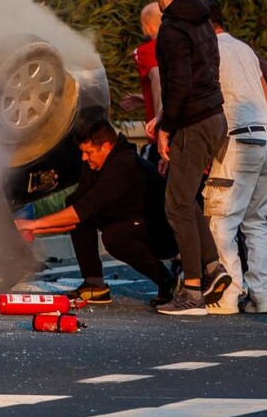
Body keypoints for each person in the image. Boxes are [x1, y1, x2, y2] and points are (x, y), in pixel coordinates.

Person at [16, 121, 178, 306]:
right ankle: (94, 284)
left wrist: (32, 224)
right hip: (129, 220)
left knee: (114, 238)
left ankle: (166, 280)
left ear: (106, 147)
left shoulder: (124, 165)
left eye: (88, 152)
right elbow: (78, 213)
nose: (84, 158)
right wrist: (33, 230)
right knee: (74, 204)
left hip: (162, 232)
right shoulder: (95, 164)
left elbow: (82, 210)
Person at [149, 0, 231, 316]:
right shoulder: (203, 21)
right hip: (215, 117)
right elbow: (210, 70)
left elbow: (178, 85)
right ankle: (212, 267)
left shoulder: (170, 29)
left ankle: (193, 293)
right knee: (184, 198)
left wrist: (167, 127)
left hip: (194, 121)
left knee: (177, 204)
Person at [201, 0, 267, 315]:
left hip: (240, 140)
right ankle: (263, 298)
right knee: (256, 221)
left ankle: (228, 296)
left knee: (222, 219)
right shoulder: (245, 49)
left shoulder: (210, 50)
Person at [133, 2, 162, 163]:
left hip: (162, 132)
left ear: (148, 27)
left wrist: (159, 117)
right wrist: (145, 98)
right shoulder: (181, 47)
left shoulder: (144, 51)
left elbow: (157, 78)